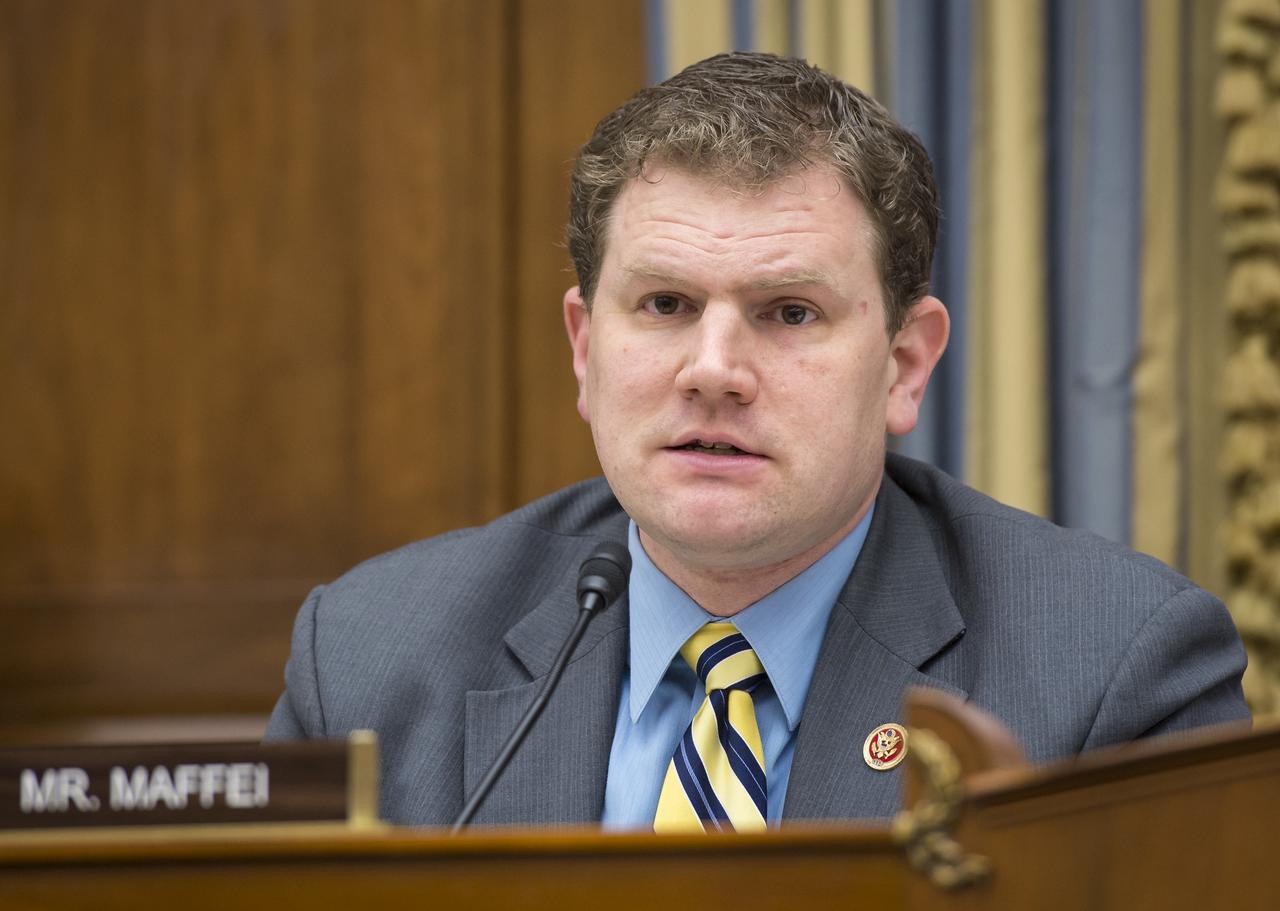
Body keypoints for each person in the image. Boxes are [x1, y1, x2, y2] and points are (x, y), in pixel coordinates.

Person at [265, 52, 1249, 830]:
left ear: (904, 363)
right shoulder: (366, 661)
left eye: (786, 312)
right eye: (663, 303)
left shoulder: (1110, 676)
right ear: (583, 345)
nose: (712, 368)